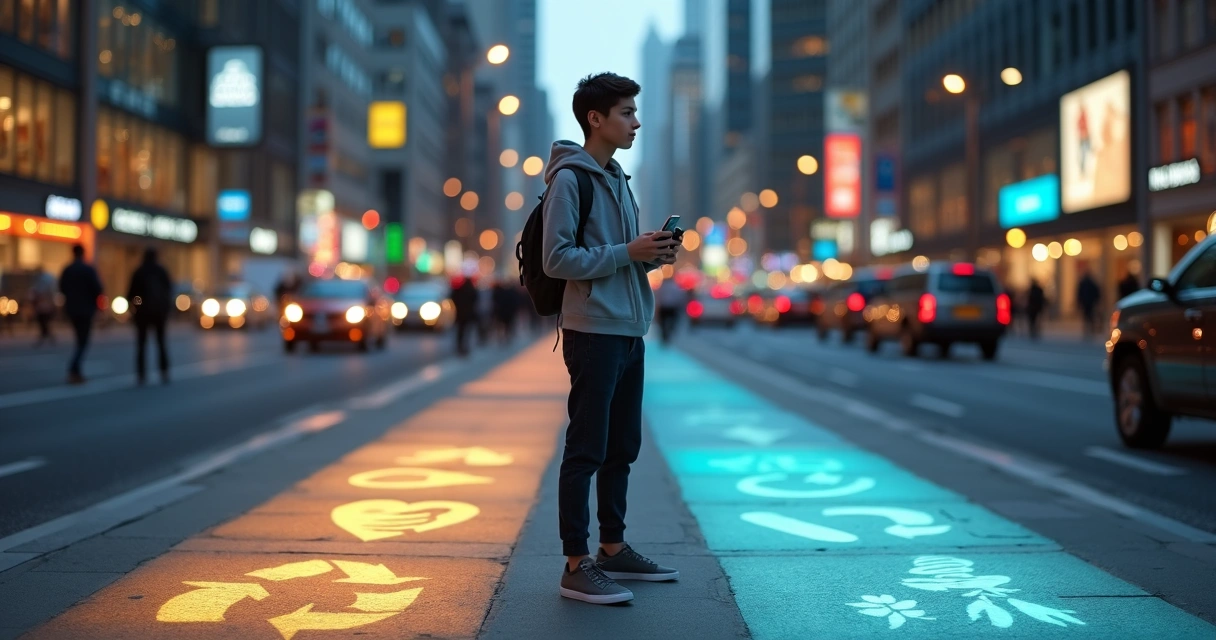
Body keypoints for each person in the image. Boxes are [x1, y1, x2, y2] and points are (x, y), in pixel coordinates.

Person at [542, 72, 682, 605]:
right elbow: (558, 260)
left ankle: (613, 547)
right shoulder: (570, 179)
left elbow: (620, 259)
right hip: (592, 331)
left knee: (622, 447)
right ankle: (576, 563)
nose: (636, 122)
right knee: (586, 449)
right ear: (594, 119)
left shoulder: (619, 178)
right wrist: (629, 253)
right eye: (626, 112)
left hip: (628, 328)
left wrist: (652, 254)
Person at [127, 247, 173, 384]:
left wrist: (137, 307)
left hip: (142, 313)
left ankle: (141, 374)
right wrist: (165, 308)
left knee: (141, 344)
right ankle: (164, 371)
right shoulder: (161, 271)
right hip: (159, 313)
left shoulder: (139, 271)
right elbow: (168, 291)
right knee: (161, 343)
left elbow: (131, 294)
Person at [58, 244, 103, 384]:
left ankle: (76, 371)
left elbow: (62, 288)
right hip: (86, 309)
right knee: (83, 341)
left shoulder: (68, 269)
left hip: (72, 308)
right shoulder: (88, 269)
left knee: (79, 340)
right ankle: (74, 369)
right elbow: (98, 289)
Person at [450, 275, 479, 357]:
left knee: (460, 331)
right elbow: (476, 300)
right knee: (467, 331)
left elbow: (452, 297)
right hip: (468, 314)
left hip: (460, 314)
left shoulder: (459, 290)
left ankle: (460, 346)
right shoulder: (472, 290)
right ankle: (464, 346)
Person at [28, 268, 57, 346]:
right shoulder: (45, 281)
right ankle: (48, 337)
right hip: (44, 306)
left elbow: (37, 292)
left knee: (43, 323)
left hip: (44, 306)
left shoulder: (42, 281)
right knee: (44, 323)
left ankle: (45, 337)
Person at [656, 277, 684, 344]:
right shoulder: (675, 287)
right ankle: (668, 333)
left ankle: (665, 335)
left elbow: (658, 297)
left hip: (665, 307)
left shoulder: (663, 287)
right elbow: (679, 297)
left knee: (663, 323)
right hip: (672, 307)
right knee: (672, 321)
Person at [491, 279, 520, 344]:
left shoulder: (497, 293)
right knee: (507, 325)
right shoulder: (511, 292)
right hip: (507, 312)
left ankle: (501, 338)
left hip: (500, 312)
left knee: (500, 325)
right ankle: (506, 337)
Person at [1077, 271, 1102, 337]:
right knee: (1090, 316)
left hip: (1086, 302)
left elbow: (1079, 293)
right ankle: (1090, 329)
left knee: (1087, 316)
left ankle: (1088, 329)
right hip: (1090, 302)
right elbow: (1097, 292)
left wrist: (1079, 302)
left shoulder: (1083, 283)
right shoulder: (1091, 283)